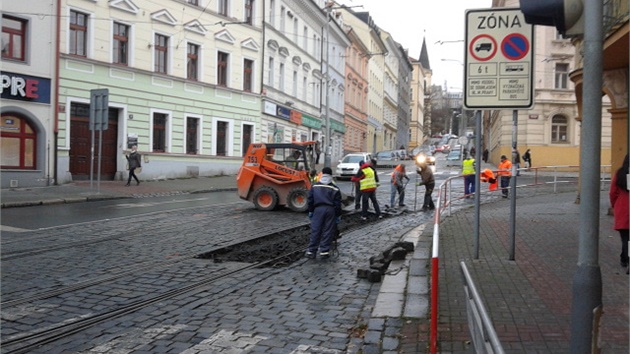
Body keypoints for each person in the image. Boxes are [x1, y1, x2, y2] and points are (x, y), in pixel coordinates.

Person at [306, 167, 342, 260]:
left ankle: (311, 251)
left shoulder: (315, 186)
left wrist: (311, 211)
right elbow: (338, 204)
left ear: (322, 174)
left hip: (318, 210)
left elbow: (310, 200)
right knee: (327, 230)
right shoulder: (335, 188)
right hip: (330, 210)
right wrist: (338, 215)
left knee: (316, 230)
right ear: (330, 175)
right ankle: (324, 251)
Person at [610, 154, 629, 270]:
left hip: (623, 208)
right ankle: (625, 257)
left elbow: (613, 192)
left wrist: (614, 205)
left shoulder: (620, 174)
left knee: (626, 237)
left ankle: (625, 258)